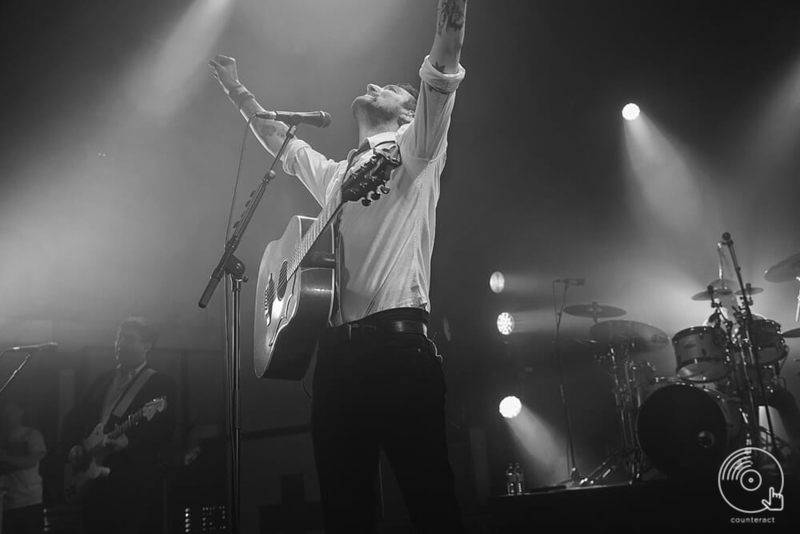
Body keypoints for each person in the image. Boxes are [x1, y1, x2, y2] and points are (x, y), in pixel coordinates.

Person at [209, 1, 468, 532]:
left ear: (407, 113)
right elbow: (280, 143)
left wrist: (454, 10)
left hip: (399, 349)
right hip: (335, 364)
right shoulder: (333, 177)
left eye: (392, 87)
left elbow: (442, 66)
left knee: (430, 502)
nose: (376, 84)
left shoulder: (417, 148)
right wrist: (238, 91)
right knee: (346, 512)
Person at [62, 316, 177, 534]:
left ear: (146, 345)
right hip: (93, 483)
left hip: (131, 483)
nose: (119, 343)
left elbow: (166, 429)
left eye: (129, 338)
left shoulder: (160, 384)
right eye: (119, 338)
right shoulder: (102, 380)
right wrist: (72, 447)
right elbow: (74, 417)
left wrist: (130, 441)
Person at [0, 399, 46, 534]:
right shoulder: (2, 438)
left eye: (12, 411)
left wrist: (5, 458)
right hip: (7, 503)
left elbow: (32, 460)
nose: (8, 415)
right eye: (5, 412)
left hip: (29, 500)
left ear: (21, 412)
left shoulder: (32, 434)